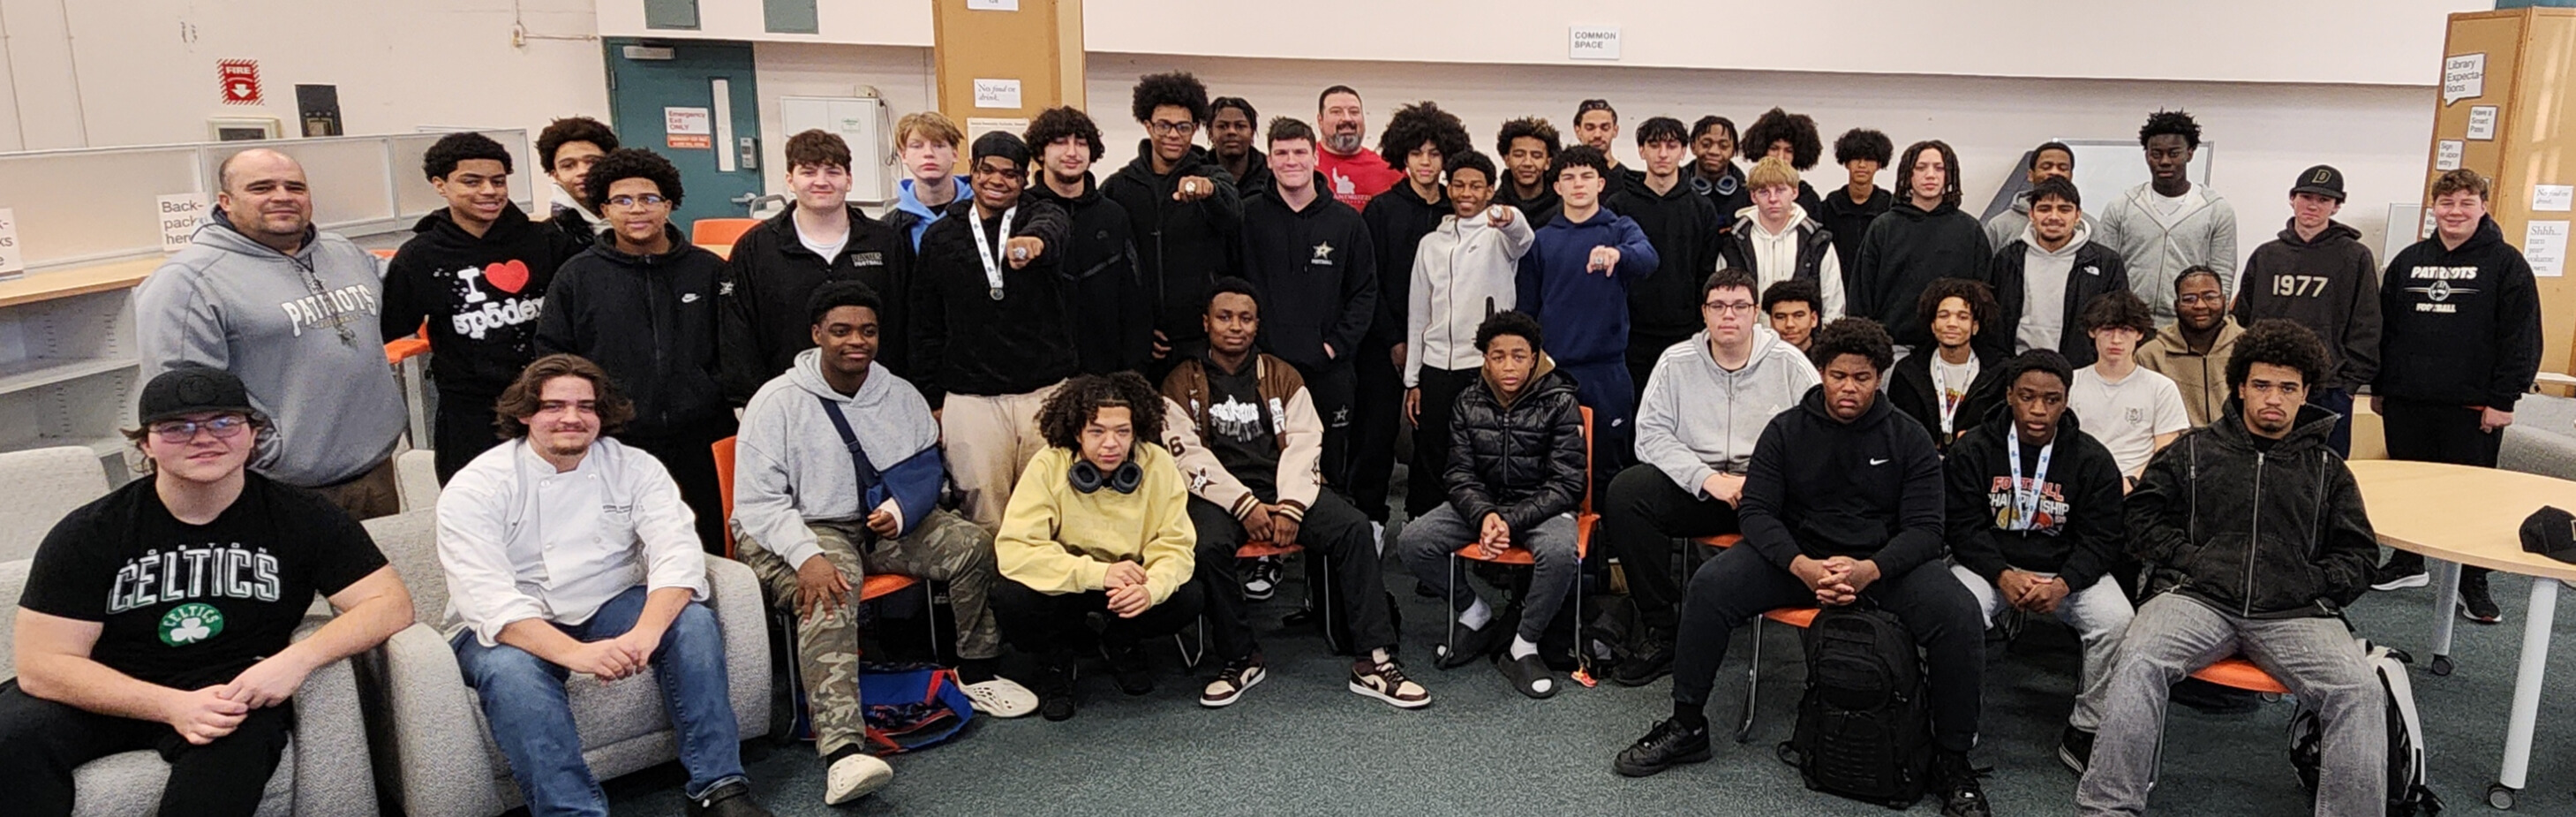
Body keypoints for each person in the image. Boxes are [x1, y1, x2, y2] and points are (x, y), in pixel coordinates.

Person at [1616, 318, 1995, 817]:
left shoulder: (1909, 437)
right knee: (1710, 587)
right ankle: (1687, 725)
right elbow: (1756, 512)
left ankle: (1952, 759)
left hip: (1882, 565)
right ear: (1821, 372)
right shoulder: (1786, 430)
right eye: (1839, 376)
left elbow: (1927, 529)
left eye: (1861, 378)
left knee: (1959, 613)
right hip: (1797, 558)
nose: (1848, 388)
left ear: (1880, 376)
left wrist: (1868, 570)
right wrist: (1803, 567)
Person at [0, 366, 413, 817]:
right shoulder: (91, 531)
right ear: (145, 443)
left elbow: (388, 603)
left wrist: (294, 661)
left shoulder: (302, 516)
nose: (204, 438)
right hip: (110, 685)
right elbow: (42, 666)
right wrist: (170, 705)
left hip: (229, 688)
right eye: (177, 428)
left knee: (231, 756)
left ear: (253, 434)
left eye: (224, 422)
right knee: (11, 736)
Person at [729, 282, 1037, 804]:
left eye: (868, 331)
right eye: (842, 330)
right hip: (801, 525)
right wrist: (807, 556)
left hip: (880, 521)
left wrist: (900, 509)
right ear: (816, 334)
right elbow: (759, 505)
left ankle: (977, 670)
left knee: (973, 544)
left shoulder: (899, 394)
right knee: (832, 587)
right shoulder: (776, 402)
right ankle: (843, 751)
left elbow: (925, 470)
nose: (857, 341)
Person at [438, 354, 773, 817]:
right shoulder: (477, 485)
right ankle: (571, 812)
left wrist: (646, 632)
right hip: (512, 624)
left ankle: (720, 786)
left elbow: (677, 555)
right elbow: (488, 600)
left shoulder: (635, 468)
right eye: (554, 406)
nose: (572, 418)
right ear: (524, 413)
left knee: (693, 623)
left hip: (608, 601)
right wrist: (578, 656)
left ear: (602, 414)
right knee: (511, 675)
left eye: (586, 406)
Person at [2077, 320, 2385, 815]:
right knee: (2137, 661)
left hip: (2296, 612)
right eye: (2262, 385)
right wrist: (2191, 559)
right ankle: (2107, 809)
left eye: (2288, 388)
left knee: (2359, 690)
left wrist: (2313, 583)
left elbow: (2359, 555)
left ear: (2305, 393)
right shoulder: (2195, 451)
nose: (2274, 399)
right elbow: (2141, 520)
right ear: (2241, 386)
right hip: (2195, 599)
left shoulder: (2327, 469)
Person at [1160, 278, 1422, 710]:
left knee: (1354, 528)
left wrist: (1292, 506)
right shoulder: (1179, 381)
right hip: (1219, 494)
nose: (1235, 327)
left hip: (1284, 486)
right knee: (1206, 546)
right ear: (1206, 323)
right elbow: (1184, 456)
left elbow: (1305, 441)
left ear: (1257, 324)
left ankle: (1374, 660)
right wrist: (1243, 504)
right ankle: (1240, 657)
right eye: (1225, 317)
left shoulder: (1282, 375)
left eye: (1245, 318)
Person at [137, 148, 406, 519]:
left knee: (382, 574)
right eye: (262, 187)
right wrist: (269, 454)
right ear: (226, 201)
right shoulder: (187, 282)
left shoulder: (341, 252)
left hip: (373, 473)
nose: (282, 196)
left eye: (295, 187)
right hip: (276, 487)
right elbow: (186, 398)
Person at [1601, 268, 1818, 685]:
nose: (1729, 316)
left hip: (1769, 495)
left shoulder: (1790, 362)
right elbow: (1649, 435)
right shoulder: (1676, 361)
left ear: (1755, 313)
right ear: (1704, 312)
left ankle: (1819, 644)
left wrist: (1760, 482)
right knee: (1627, 493)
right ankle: (1663, 631)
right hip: (1700, 490)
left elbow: (1817, 435)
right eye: (1718, 306)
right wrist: (1704, 478)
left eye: (1740, 306)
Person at [534, 148, 734, 552]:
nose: (636, 210)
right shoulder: (578, 276)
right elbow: (554, 359)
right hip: (614, 442)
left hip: (702, 438)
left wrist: (709, 390)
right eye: (622, 200)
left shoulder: (707, 270)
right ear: (604, 209)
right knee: (621, 552)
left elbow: (735, 346)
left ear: (669, 205)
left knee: (707, 550)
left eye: (649, 199)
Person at [1943, 350, 2132, 773]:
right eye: (2027, 397)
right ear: (2010, 394)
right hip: (1990, 567)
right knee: (1957, 611)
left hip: (2065, 575)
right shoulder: (1974, 449)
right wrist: (2002, 573)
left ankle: (2085, 728)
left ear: (2066, 401)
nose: (2037, 410)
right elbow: (1961, 527)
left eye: (2051, 399)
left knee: (2117, 621)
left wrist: (2064, 584)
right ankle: (1956, 725)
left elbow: (2103, 539)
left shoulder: (2092, 459)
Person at [2368, 169, 2541, 623]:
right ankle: (2407, 563)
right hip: (2407, 401)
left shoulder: (2507, 263)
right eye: (2447, 203)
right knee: (2407, 489)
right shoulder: (2408, 261)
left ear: (2483, 206)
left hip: (2473, 407)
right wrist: (2382, 388)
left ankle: (2473, 583)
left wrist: (2505, 400)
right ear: (2434, 209)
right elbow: (2386, 330)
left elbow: (2521, 337)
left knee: (2474, 498)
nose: (2455, 212)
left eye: (2466, 202)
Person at [991, 373, 1207, 721]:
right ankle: (1056, 661)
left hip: (1130, 582)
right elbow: (1016, 549)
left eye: (1122, 431)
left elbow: (1176, 546)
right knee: (1011, 598)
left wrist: (1151, 589)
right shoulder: (1049, 464)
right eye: (1097, 431)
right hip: (1069, 583)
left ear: (1136, 430)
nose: (1111, 444)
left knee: (1188, 595)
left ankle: (1120, 641)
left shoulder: (1157, 463)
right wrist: (1099, 573)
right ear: (1077, 432)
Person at [1394, 311, 1586, 698]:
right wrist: (1486, 515)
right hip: (1483, 507)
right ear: (1485, 359)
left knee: (1560, 552)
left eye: (1519, 355)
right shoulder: (1467, 401)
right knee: (1413, 540)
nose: (1509, 365)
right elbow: (1458, 474)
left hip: (1541, 508)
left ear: (1534, 357)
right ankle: (1473, 611)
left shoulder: (1561, 401)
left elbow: (1568, 483)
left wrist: (1508, 521)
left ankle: (1525, 642)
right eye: (1498, 356)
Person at [382, 132, 586, 484]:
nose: (489, 191)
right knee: (477, 509)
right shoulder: (421, 256)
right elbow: (392, 326)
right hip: (471, 412)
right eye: (471, 181)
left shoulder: (548, 242)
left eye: (498, 181)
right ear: (440, 185)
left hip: (549, 402)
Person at [909, 131, 1076, 533]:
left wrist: (1033, 244)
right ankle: (990, 596)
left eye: (1010, 174)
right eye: (987, 170)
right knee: (983, 508)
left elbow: (1050, 228)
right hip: (971, 398)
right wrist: (933, 398)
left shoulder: (1043, 216)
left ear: (1024, 180)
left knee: (1049, 504)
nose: (997, 181)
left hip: (1043, 391)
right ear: (973, 171)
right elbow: (925, 321)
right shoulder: (941, 236)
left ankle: (1043, 594)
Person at [715, 129, 915, 402]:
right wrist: (749, 401)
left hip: (877, 397)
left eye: (832, 172)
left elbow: (909, 321)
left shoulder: (886, 242)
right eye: (808, 172)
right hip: (787, 402)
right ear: (790, 180)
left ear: (849, 180)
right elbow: (738, 333)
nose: (821, 182)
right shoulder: (756, 248)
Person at [1239, 117, 1377, 497]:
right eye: (1281, 153)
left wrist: (1333, 346)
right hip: (1264, 368)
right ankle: (1271, 556)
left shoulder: (1346, 222)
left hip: (1328, 369)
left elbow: (1364, 293)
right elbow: (1232, 290)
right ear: (1268, 160)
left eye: (1300, 151)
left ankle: (1324, 555)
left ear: (1315, 156)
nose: (1291, 160)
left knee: (1329, 463)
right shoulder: (1248, 216)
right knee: (1266, 459)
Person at [1517, 144, 1657, 503]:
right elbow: (1527, 310)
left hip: (1606, 372)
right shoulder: (1542, 240)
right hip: (1554, 372)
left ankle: (1609, 551)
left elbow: (1647, 258)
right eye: (1568, 177)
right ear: (1557, 187)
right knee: (1552, 464)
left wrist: (1618, 254)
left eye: (1586, 176)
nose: (1578, 184)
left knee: (1609, 465)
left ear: (1600, 183)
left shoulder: (1619, 229)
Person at [1356, 101, 1473, 527]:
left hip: (1444, 349)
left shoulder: (1460, 212)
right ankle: (1371, 524)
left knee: (1439, 443)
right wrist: (1396, 341)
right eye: (1417, 153)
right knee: (1376, 438)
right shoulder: (1382, 211)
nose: (1426, 162)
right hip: (1385, 345)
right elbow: (1370, 282)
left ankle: (1430, 527)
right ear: (1402, 156)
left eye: (1435, 153)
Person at [1406, 152, 1535, 519]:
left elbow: (1522, 236)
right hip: (1435, 368)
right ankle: (1424, 538)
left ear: (1490, 191)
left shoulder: (1500, 236)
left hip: (1482, 368)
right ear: (1448, 188)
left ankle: (1487, 537)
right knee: (1431, 454)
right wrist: (1413, 379)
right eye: (1459, 184)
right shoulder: (1431, 243)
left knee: (1484, 455)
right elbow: (1419, 313)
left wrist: (1508, 217)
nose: (1466, 193)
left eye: (1476, 186)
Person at [2233, 165, 2379, 455]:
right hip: (2268, 386)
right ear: (2292, 198)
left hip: (2329, 388)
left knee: (2325, 470)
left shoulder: (2355, 257)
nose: (2313, 205)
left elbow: (2367, 323)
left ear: (2337, 206)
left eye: (2324, 200)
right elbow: (2242, 321)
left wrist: (2349, 385)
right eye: (2306, 196)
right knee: (2262, 463)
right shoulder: (2267, 256)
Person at [1103, 72, 1241, 374]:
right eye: (1163, 125)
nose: (1173, 135)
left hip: (1199, 340)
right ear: (1148, 125)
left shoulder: (1213, 175)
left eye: (1183, 127)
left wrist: (1209, 191)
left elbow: (1232, 213)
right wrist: (1138, 328)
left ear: (1194, 129)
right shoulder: (1119, 187)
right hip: (1141, 341)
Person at [1024, 107, 1153, 376]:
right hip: (1036, 375)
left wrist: (1133, 368)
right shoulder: (1022, 213)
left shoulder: (1113, 215)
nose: (1072, 152)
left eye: (1081, 143)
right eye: (1060, 142)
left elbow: (1134, 297)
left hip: (1106, 372)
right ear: (1039, 152)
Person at [1611, 116, 1729, 405]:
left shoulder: (1701, 208)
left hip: (1684, 333)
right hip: (1630, 336)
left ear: (1683, 151)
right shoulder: (1618, 206)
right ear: (1641, 151)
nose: (1663, 154)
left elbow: (1706, 273)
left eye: (1671, 145)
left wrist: (1701, 327)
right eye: (1654, 145)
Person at [1851, 140, 1992, 359]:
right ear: (1909, 174)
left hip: (1954, 350)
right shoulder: (1883, 228)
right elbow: (1861, 295)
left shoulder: (1970, 230)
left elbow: (1985, 300)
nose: (1930, 175)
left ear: (1949, 175)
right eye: (1921, 167)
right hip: (1893, 350)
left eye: (1939, 168)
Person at [2095, 110, 2236, 323]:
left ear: (2189, 153)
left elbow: (2222, 274)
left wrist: (2214, 322)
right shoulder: (2122, 207)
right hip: (2131, 324)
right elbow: (2104, 270)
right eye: (2156, 154)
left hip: (2188, 325)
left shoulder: (2216, 210)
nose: (2165, 161)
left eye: (2174, 153)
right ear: (2147, 156)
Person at [1985, 176, 2129, 368]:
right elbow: (1992, 320)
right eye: (2044, 209)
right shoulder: (2008, 259)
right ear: (2031, 214)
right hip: (2016, 370)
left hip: (2081, 373)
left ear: (2078, 215)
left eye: (2064, 209)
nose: (2054, 217)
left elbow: (2118, 321)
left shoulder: (2106, 263)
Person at [2068, 291, 2189, 488]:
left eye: (2125, 330)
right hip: (2080, 485)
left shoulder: (2161, 388)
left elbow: (2165, 453)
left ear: (2139, 334)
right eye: (2108, 329)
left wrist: (2132, 483)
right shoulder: (2071, 383)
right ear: (2092, 331)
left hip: (2139, 489)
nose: (2116, 340)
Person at [1721, 156, 1846, 320]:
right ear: (1753, 196)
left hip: (1804, 343)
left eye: (1780, 190)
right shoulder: (1733, 242)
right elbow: (1721, 300)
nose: (1773, 199)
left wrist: (1825, 344)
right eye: (1764, 192)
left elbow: (1833, 306)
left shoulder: (1818, 242)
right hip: (1748, 341)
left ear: (1794, 192)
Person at [1889, 277, 2006, 450]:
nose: (1952, 324)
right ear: (1933, 325)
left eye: (1962, 317)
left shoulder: (1999, 374)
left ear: (1975, 326)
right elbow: (1897, 428)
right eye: (1944, 316)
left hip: (1974, 462)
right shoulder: (1907, 372)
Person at [2137, 267, 2245, 427]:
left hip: (2238, 447)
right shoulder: (2150, 355)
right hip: (2175, 447)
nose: (2200, 305)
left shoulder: (2248, 346)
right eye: (2189, 299)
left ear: (2224, 300)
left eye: (2210, 297)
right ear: (2176, 305)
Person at [881, 111, 971, 252]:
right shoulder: (888, 228)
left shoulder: (983, 212)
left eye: (938, 145)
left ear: (955, 154)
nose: (928, 153)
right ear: (904, 155)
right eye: (917, 146)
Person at [1721, 108, 1826, 218]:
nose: (1780, 157)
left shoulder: (1808, 198)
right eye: (1774, 148)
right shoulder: (1742, 196)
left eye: (1788, 151)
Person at [1817, 127, 1894, 269]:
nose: (1862, 165)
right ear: (1846, 163)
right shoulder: (1827, 209)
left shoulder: (1891, 209)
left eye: (1869, 159)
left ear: (1879, 165)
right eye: (1856, 158)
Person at [1981, 141, 2079, 251]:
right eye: (2046, 167)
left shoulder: (2089, 227)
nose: (2054, 172)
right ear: (2031, 175)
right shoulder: (2000, 226)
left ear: (2071, 176)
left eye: (2062, 168)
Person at [1316, 85, 1401, 209]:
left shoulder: (1389, 169)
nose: (1347, 119)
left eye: (1354, 112)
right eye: (1336, 112)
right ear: (1320, 121)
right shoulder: (1301, 165)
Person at [536, 116, 617, 244]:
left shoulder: (640, 213)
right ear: (555, 174)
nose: (583, 172)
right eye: (568, 165)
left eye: (593, 162)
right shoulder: (550, 237)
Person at [1571, 99, 1646, 198]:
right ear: (1578, 131)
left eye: (1605, 128)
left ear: (1615, 130)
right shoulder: (1564, 180)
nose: (1597, 135)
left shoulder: (1630, 183)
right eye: (1590, 128)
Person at [1494, 116, 1563, 222]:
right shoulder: (1493, 209)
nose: (1527, 163)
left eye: (1536, 156)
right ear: (1507, 160)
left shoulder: (1565, 209)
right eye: (1519, 155)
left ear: (1548, 163)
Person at [1209, 95, 1270, 193]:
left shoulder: (1271, 172)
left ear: (1252, 133)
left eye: (1240, 126)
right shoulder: (1197, 171)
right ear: (1210, 134)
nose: (1231, 132)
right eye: (1222, 126)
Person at [1688, 116, 1744, 223]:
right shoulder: (1675, 188)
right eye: (1706, 144)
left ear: (1733, 152)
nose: (1714, 151)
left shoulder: (1748, 194)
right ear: (1693, 146)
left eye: (1723, 146)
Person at [1762, 278, 1823, 353]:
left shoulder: (1829, 358)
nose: (1789, 324)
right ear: (1771, 321)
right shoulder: (1759, 358)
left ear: (1813, 319)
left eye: (1798, 316)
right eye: (1781, 317)